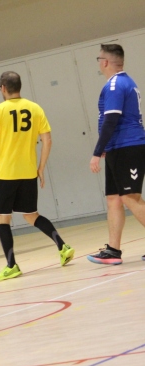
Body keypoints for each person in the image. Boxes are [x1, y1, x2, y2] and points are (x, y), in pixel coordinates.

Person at [0, 72, 75, 281]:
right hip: (28, 172)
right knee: (31, 215)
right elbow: (47, 140)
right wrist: (40, 168)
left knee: (2, 219)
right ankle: (63, 246)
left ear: (3, 88)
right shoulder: (35, 108)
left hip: (6, 173)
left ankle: (11, 265)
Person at [87, 44, 145, 265]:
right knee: (113, 198)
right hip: (117, 148)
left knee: (130, 198)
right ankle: (113, 251)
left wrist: (97, 151)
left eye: (99, 59)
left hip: (127, 147)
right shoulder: (126, 82)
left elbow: (111, 120)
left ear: (105, 62)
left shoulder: (115, 84)